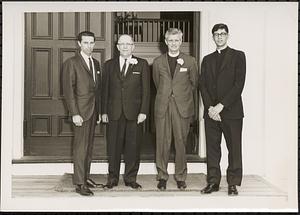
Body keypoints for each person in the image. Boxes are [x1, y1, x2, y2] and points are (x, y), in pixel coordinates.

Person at [199, 23, 246, 196]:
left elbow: (238, 85)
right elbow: (202, 85)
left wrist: (221, 106)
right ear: (212, 37)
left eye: (223, 34)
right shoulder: (207, 59)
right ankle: (213, 182)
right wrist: (211, 108)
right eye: (216, 34)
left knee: (234, 148)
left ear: (227, 36)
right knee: (212, 148)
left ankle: (232, 183)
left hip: (231, 112)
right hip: (211, 112)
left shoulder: (238, 56)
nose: (219, 37)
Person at [101, 34, 150, 190]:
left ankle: (130, 178)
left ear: (133, 46)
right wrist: (103, 112)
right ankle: (112, 178)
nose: (124, 47)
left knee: (133, 147)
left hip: (134, 114)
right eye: (121, 44)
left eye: (127, 44)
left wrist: (143, 111)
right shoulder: (108, 65)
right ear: (117, 47)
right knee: (113, 147)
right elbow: (104, 91)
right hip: (114, 113)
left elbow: (146, 91)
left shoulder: (142, 64)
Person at [153, 28, 198, 191]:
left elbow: (193, 84)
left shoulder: (190, 61)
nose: (173, 43)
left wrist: (180, 96)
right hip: (163, 106)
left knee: (181, 142)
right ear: (165, 42)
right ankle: (162, 176)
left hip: (182, 107)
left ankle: (180, 177)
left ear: (181, 41)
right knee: (162, 142)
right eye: (170, 40)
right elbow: (157, 83)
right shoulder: (158, 62)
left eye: (176, 40)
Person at [62, 31, 102, 196]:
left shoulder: (96, 63)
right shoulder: (71, 63)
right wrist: (74, 113)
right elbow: (68, 91)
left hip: (92, 112)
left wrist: (98, 112)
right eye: (86, 43)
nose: (89, 46)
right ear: (79, 44)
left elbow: (96, 91)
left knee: (89, 147)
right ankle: (79, 183)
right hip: (80, 112)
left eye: (92, 42)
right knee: (80, 148)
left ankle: (85, 177)